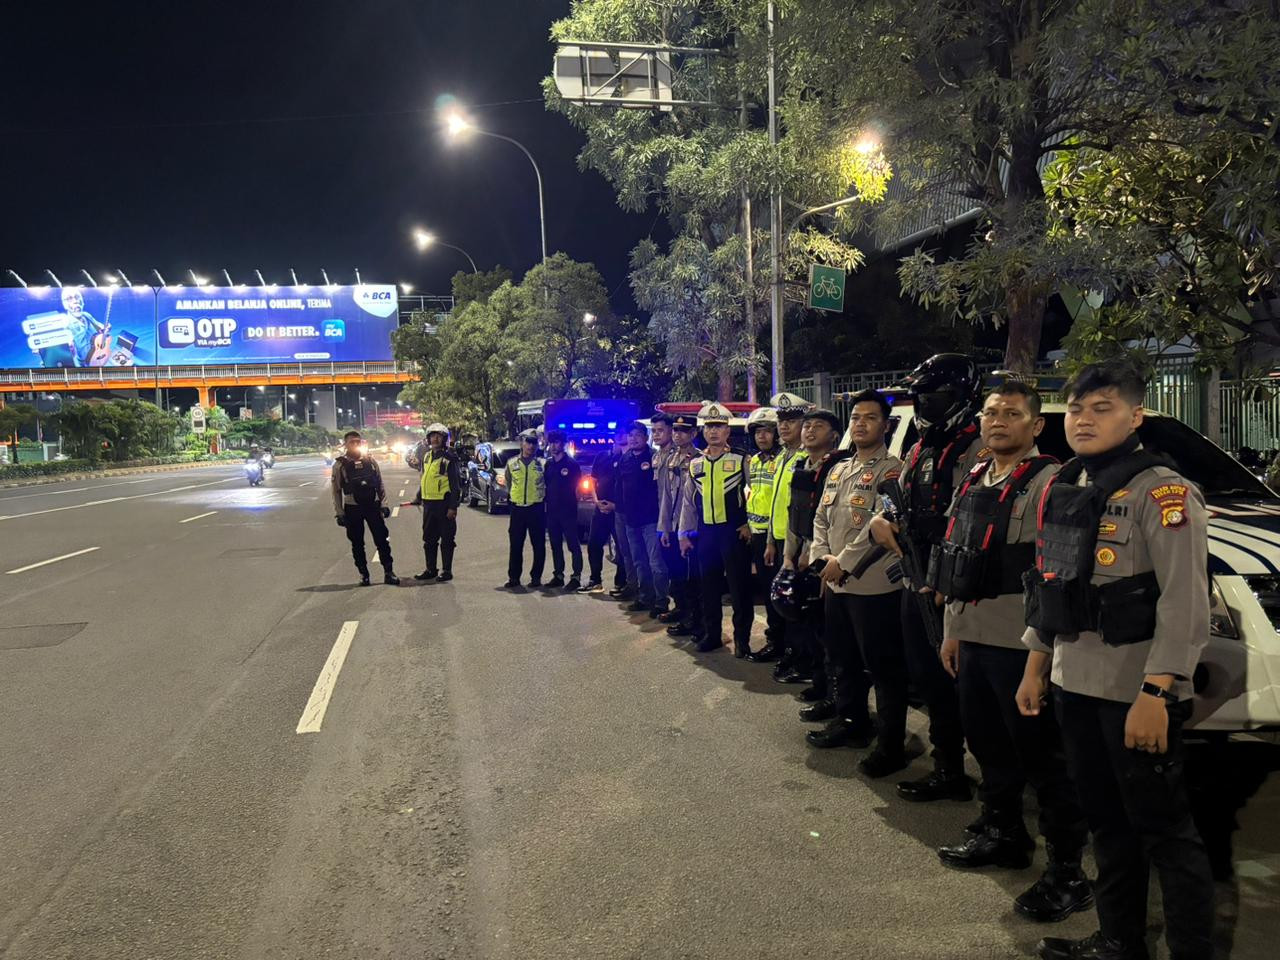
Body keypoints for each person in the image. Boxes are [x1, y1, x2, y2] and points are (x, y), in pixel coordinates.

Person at [1019, 361, 1215, 960]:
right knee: (1106, 825)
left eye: (1101, 408)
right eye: (1076, 408)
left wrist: (1158, 692)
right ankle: (1119, 940)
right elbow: (1054, 584)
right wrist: (1035, 663)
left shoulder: (1164, 492)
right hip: (1075, 682)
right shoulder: (1070, 481)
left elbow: (1186, 602)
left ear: (1136, 416)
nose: (1083, 419)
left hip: (1135, 693)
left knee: (1166, 835)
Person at [929, 380, 1091, 923]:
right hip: (973, 638)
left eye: (1012, 414)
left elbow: (1058, 577)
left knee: (1046, 764)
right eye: (991, 412)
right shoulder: (976, 476)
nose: (998, 421)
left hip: (1022, 651)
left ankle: (1068, 873)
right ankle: (1003, 833)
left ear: (1036, 425)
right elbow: (957, 559)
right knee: (990, 750)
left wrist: (1038, 663)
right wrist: (953, 629)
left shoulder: (1054, 483)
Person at [868, 353, 985, 802]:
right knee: (927, 678)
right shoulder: (919, 449)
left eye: (934, 397)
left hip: (955, 585)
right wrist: (883, 520)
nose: (924, 405)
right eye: (920, 397)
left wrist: (944, 576)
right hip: (915, 577)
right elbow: (899, 504)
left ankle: (972, 779)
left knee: (958, 684)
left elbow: (974, 520)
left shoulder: (977, 450)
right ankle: (947, 767)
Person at [806, 392, 900, 757]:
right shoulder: (839, 469)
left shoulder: (893, 469)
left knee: (882, 667)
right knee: (842, 658)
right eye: (856, 417)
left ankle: (890, 745)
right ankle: (852, 722)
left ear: (886, 426)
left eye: (870, 418)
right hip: (834, 582)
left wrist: (842, 562)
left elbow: (882, 525)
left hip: (873, 586)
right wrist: (821, 558)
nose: (860, 424)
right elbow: (820, 518)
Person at [781, 409, 853, 699]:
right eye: (807, 425)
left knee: (831, 637)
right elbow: (794, 515)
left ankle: (836, 699)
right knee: (811, 628)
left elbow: (834, 521)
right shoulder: (802, 466)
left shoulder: (839, 467)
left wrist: (815, 557)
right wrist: (789, 554)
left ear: (834, 434)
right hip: (801, 557)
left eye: (818, 426)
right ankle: (820, 685)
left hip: (824, 561)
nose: (809, 430)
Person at [678, 402, 755, 656]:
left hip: (733, 533)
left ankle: (742, 640)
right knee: (708, 588)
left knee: (739, 589)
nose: (713, 432)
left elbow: (755, 494)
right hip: (706, 535)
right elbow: (688, 504)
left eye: (719, 426)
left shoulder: (742, 459)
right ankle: (712, 635)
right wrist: (683, 535)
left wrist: (749, 524)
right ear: (703, 431)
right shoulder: (695, 464)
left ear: (727, 431)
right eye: (709, 427)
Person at [764, 392, 809, 671]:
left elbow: (805, 510)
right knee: (780, 601)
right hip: (779, 539)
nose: (784, 426)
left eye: (791, 420)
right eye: (781, 421)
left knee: (798, 606)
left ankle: (800, 658)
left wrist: (802, 550)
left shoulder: (807, 458)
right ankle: (783, 648)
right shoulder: (782, 457)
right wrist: (770, 541)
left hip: (798, 543)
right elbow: (775, 504)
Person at [330, 430, 399, 586]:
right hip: (352, 507)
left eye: (358, 441)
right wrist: (339, 513)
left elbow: (380, 484)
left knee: (382, 539)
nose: (355, 444)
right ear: (345, 444)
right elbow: (336, 491)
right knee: (357, 543)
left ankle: (389, 572)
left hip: (372, 506)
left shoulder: (370, 461)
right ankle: (364, 574)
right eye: (351, 442)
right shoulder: (340, 464)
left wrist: (384, 504)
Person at [657, 412, 704, 641]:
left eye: (683, 431)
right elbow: (666, 495)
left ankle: (694, 619)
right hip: (673, 525)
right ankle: (682, 610)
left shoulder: (699, 459)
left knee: (691, 578)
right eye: (675, 430)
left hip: (691, 528)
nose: (677, 435)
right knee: (676, 573)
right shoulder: (670, 458)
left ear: (693, 434)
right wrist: (664, 527)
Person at [744, 406, 785, 663]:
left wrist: (769, 538)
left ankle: (785, 644)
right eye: (758, 432)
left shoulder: (784, 460)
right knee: (768, 592)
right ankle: (776, 640)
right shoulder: (755, 461)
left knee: (780, 593)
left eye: (767, 431)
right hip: (758, 535)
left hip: (777, 537)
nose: (762, 436)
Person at [616, 420, 670, 618]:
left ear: (645, 437)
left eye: (637, 435)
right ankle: (645, 597)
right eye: (630, 435)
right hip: (630, 520)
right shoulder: (625, 459)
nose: (633, 439)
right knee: (639, 561)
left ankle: (661, 600)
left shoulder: (654, 458)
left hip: (650, 519)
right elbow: (619, 488)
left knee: (656, 562)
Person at [581, 429, 630, 595]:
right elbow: (593, 481)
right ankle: (595, 580)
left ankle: (621, 583)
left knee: (622, 549)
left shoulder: (627, 458)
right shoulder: (601, 456)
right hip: (600, 509)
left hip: (619, 511)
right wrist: (596, 501)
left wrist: (614, 505)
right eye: (619, 433)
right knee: (594, 544)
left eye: (625, 433)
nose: (621, 436)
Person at [413, 423, 462, 583]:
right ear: (428, 438)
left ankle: (446, 571)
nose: (435, 438)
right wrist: (419, 496)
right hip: (429, 505)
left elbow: (455, 485)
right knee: (429, 539)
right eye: (432, 435)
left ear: (444, 439)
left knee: (447, 539)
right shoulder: (427, 456)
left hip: (444, 504)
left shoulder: (449, 459)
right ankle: (430, 569)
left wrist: (453, 507)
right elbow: (425, 478)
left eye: (438, 436)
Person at [503, 430, 546, 590]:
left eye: (534, 443)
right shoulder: (511, 463)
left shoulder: (542, 464)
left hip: (536, 509)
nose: (530, 446)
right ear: (522, 443)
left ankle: (536, 577)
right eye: (528, 442)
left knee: (538, 545)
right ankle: (514, 577)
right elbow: (508, 482)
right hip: (518, 509)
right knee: (515, 545)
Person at [543, 429, 584, 591]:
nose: (553, 446)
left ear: (563, 444)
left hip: (568, 511)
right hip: (552, 512)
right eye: (551, 443)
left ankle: (576, 577)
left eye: (556, 442)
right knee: (555, 544)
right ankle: (558, 575)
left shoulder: (572, 465)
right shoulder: (549, 464)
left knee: (573, 544)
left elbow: (578, 488)